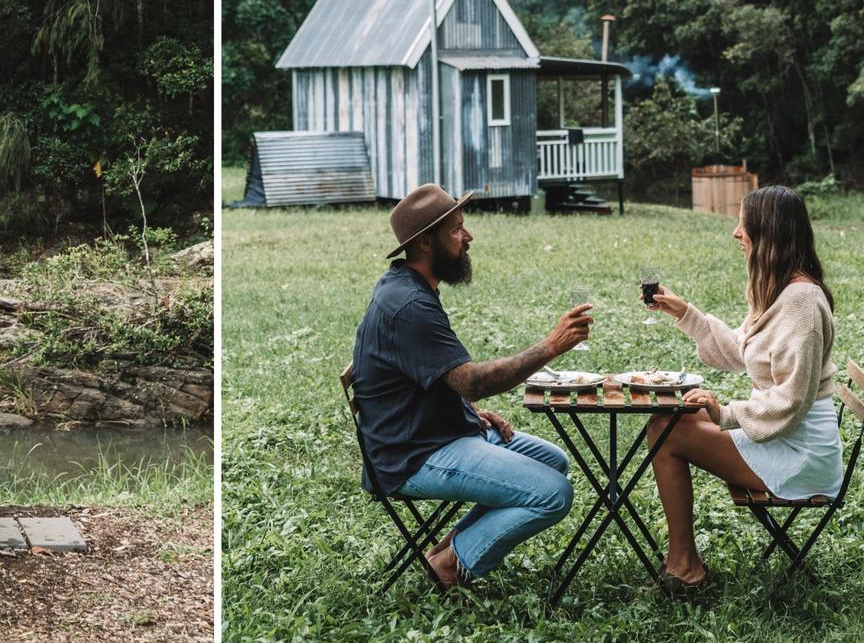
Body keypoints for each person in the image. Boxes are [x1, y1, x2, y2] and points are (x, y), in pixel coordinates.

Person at [351, 183, 592, 590]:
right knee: (553, 493)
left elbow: (424, 379)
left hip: (435, 430)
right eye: (456, 230)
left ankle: (448, 547)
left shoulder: (407, 288)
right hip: (410, 455)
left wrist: (464, 412)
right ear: (426, 242)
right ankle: (450, 565)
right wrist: (551, 346)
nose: (468, 237)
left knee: (554, 462)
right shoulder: (409, 306)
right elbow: (471, 381)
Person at [644, 185, 840, 590]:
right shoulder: (780, 290)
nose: (736, 232)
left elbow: (793, 400)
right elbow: (742, 351)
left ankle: (685, 565)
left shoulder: (802, 301)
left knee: (664, 431)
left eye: (743, 223)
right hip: (786, 437)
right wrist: (688, 314)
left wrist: (726, 413)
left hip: (801, 454)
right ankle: (684, 559)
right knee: (673, 414)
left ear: (768, 232)